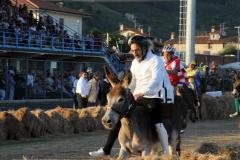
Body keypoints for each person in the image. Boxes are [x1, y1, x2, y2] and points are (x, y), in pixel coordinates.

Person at [89, 35, 174, 157]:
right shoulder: (134, 63)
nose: (135, 53)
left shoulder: (157, 60)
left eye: (137, 50)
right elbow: (132, 81)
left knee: (157, 122)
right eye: (132, 51)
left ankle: (166, 152)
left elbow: (156, 81)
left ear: (144, 48)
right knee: (121, 114)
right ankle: (106, 150)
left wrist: (144, 92)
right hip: (137, 95)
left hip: (156, 95)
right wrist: (124, 90)